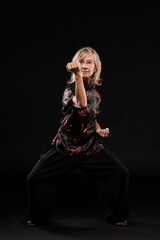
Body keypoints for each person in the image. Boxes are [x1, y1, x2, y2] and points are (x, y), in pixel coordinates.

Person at [27, 47, 130, 227]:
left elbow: (91, 115)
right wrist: (77, 77)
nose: (84, 65)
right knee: (34, 179)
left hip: (89, 148)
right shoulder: (70, 90)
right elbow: (81, 104)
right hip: (65, 148)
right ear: (75, 65)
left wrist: (98, 130)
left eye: (89, 62)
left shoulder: (95, 93)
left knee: (121, 172)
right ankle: (38, 218)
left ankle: (118, 216)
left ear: (95, 67)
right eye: (81, 62)